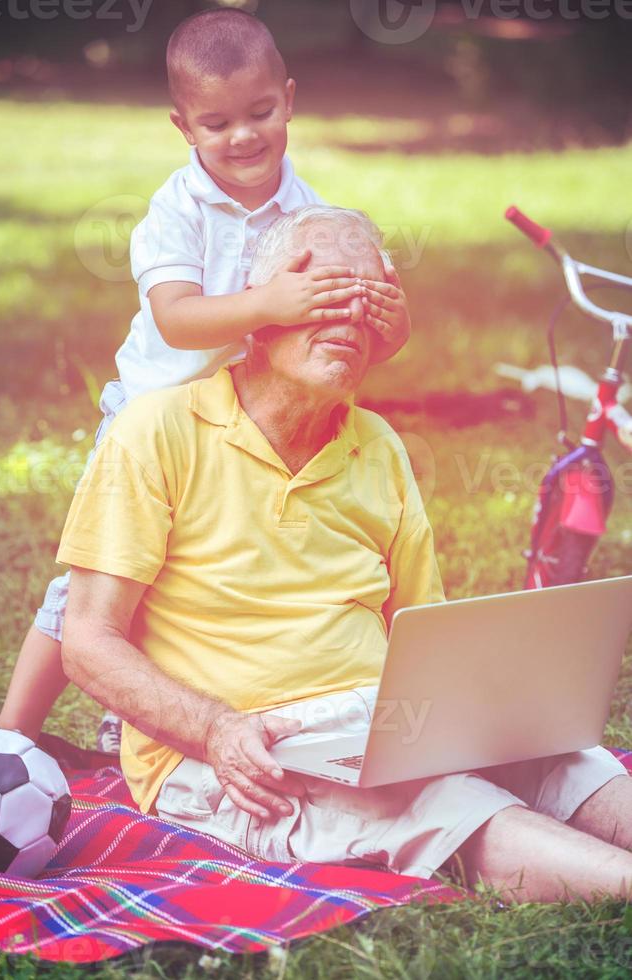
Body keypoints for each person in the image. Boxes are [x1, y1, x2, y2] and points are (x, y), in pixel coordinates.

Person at [57, 205, 632, 903]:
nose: (351, 320)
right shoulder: (155, 433)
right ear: (261, 315)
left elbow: (425, 628)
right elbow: (86, 639)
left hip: (375, 723)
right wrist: (216, 730)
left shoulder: (379, 445)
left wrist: (482, 717)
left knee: (569, 760)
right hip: (239, 753)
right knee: (438, 806)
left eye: (371, 303)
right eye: (326, 296)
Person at [0, 9, 410, 751]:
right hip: (152, 420)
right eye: (217, 124)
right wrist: (269, 303)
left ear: (288, 98)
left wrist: (388, 317)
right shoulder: (172, 212)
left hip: (246, 421)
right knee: (93, 587)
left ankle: (144, 714)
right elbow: (177, 319)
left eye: (260, 112)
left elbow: (355, 335)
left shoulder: (311, 214)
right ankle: (5, 742)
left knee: (204, 576)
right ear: (183, 128)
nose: (243, 136)